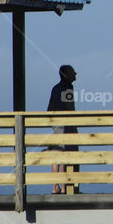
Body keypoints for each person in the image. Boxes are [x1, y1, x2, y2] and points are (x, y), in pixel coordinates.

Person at [47, 64, 78, 194]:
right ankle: (65, 186)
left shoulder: (55, 88)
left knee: (56, 154)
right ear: (66, 74)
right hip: (66, 125)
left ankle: (55, 187)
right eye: (73, 72)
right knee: (66, 154)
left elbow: (49, 109)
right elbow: (69, 108)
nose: (76, 74)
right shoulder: (68, 87)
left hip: (56, 125)